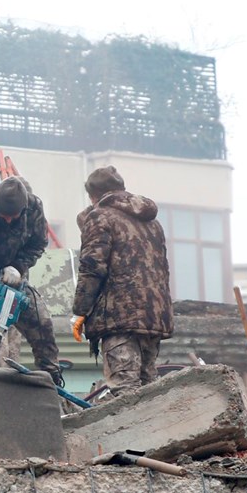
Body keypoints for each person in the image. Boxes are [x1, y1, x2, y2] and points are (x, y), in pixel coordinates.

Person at [72, 166, 173, 396]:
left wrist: (80, 311)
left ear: (93, 195)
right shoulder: (152, 222)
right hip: (154, 316)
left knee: (126, 392)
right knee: (149, 389)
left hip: (119, 316)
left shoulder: (101, 216)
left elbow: (92, 267)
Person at [0, 176, 63, 386]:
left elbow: (38, 244)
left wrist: (18, 266)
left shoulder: (34, 208)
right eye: (3, 216)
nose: (8, 220)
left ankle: (52, 380)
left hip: (17, 279)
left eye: (13, 216)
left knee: (42, 324)